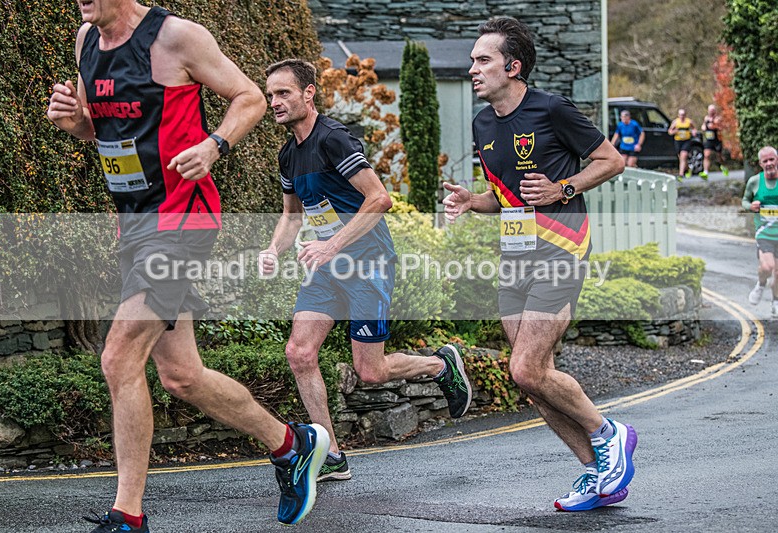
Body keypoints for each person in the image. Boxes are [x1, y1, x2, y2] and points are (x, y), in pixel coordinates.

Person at [46, 2, 329, 530]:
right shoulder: (86, 38)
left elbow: (248, 96)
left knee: (119, 354)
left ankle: (128, 515)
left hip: (183, 220)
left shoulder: (176, 37)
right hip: (134, 223)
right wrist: (74, 121)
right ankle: (292, 445)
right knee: (182, 376)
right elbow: (97, 128)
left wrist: (214, 144)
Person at [443, 17, 636, 512]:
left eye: (482, 60)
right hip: (516, 253)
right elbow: (507, 197)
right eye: (472, 61)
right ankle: (596, 471)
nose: (472, 69)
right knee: (531, 378)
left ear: (513, 66)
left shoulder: (551, 109)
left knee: (526, 367)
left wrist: (563, 189)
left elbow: (611, 161)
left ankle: (610, 432)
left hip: (562, 247)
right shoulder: (482, 122)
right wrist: (473, 201)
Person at [261, 59, 472, 482]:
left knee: (370, 372)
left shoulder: (334, 140)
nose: (274, 103)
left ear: (308, 93)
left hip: (367, 263)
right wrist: (273, 250)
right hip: (326, 267)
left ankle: (439, 366)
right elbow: (292, 218)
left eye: (283, 93)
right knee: (299, 353)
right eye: (269, 96)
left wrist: (332, 245)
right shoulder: (288, 155)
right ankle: (332, 454)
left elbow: (379, 199)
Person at [743, 146, 778, 316]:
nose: (769, 163)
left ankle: (776, 301)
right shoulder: (755, 181)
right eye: (765, 161)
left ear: (776, 160)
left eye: (772, 159)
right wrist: (750, 206)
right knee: (767, 266)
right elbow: (744, 200)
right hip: (764, 233)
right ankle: (760, 284)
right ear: (760, 163)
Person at [701, 104, 729, 178]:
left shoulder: (718, 118)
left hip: (717, 140)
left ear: (715, 111)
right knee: (706, 155)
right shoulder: (706, 118)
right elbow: (703, 126)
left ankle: (723, 166)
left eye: (713, 111)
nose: (711, 112)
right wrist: (704, 127)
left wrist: (714, 126)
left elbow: (722, 127)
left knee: (719, 156)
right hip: (709, 140)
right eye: (710, 111)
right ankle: (705, 172)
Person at [668, 108, 697, 179]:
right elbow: (670, 131)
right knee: (681, 158)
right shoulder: (675, 122)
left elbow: (694, 128)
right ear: (678, 115)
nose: (682, 116)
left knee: (683, 156)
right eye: (681, 115)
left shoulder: (689, 121)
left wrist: (694, 132)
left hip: (686, 140)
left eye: (683, 115)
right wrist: (674, 131)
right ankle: (687, 169)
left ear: (685, 115)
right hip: (678, 141)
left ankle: (681, 174)